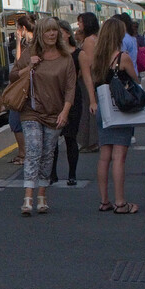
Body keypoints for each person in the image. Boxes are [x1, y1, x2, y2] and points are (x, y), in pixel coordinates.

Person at [9, 17, 75, 215]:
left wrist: (65, 111)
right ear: (40, 34)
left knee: (48, 154)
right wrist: (29, 66)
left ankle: (42, 195)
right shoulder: (31, 53)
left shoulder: (66, 58)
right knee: (33, 150)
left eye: (54, 30)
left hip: (55, 113)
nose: (52, 34)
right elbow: (13, 75)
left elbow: (71, 88)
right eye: (47, 31)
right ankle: (28, 198)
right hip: (31, 111)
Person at [87, 18, 139, 214]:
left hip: (103, 107)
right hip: (120, 110)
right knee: (119, 157)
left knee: (104, 157)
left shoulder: (97, 57)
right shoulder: (122, 57)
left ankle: (104, 201)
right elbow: (134, 80)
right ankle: (120, 202)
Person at [50, 20, 82, 186]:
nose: (55, 35)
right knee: (53, 139)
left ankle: (72, 174)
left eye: (59, 32)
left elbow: (85, 76)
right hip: (55, 98)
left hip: (73, 99)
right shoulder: (53, 54)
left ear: (68, 33)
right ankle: (52, 174)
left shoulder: (78, 54)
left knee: (70, 137)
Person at [9, 15, 35, 166]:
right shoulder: (30, 43)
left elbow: (17, 64)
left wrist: (18, 42)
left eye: (18, 28)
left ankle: (24, 154)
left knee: (16, 121)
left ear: (23, 29)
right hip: (24, 87)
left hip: (25, 89)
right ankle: (24, 153)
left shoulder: (30, 45)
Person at [76, 12, 100, 152]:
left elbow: (88, 63)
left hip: (88, 80)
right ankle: (89, 141)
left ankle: (90, 142)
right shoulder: (95, 38)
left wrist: (78, 72)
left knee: (87, 109)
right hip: (93, 79)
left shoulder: (88, 41)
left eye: (80, 22)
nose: (78, 25)